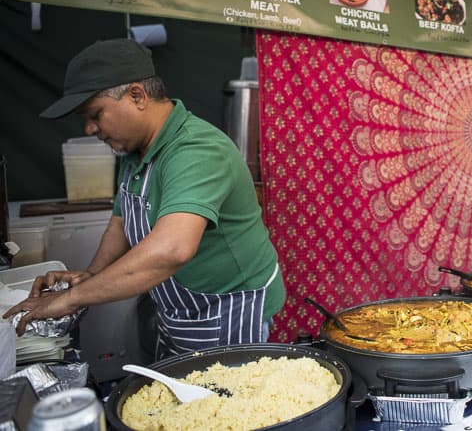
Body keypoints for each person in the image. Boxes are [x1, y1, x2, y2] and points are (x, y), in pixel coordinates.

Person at [3, 38, 285, 359]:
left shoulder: (196, 150)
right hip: (181, 309)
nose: (90, 128)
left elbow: (171, 250)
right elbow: (121, 222)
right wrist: (92, 274)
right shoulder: (134, 149)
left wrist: (72, 298)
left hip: (230, 309)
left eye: (96, 114)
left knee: (231, 404)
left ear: (137, 95)